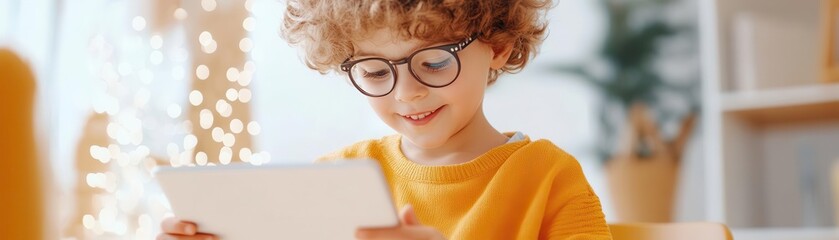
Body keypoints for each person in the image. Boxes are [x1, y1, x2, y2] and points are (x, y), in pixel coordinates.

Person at [159, 0, 612, 239]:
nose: (406, 92)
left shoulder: (547, 178)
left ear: (498, 44)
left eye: (434, 63)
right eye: (376, 71)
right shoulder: (334, 178)